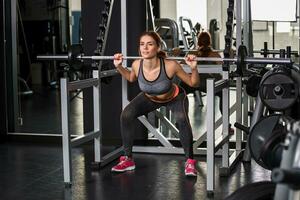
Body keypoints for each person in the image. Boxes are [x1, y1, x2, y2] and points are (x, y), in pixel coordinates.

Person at [111, 31, 200, 176]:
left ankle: (189, 162)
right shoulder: (136, 64)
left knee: (182, 120)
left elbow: (193, 83)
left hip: (175, 97)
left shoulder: (171, 65)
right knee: (126, 115)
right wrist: (119, 66)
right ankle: (128, 159)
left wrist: (194, 68)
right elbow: (131, 78)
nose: (145, 48)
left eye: (150, 44)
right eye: (142, 44)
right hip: (150, 98)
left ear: (158, 48)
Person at [180, 31, 234, 133]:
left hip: (194, 83)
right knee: (224, 93)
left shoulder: (192, 53)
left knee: (180, 91)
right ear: (210, 42)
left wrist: (178, 53)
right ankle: (227, 126)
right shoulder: (214, 54)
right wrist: (230, 56)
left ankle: (181, 122)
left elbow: (181, 65)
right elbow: (224, 68)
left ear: (198, 42)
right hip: (210, 84)